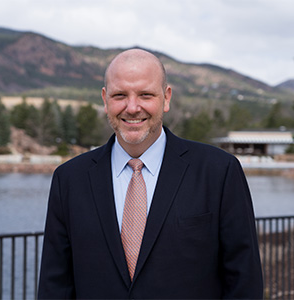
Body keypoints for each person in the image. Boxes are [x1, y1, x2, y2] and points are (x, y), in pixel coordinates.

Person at [38, 49, 263, 299]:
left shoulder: (219, 172)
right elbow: (54, 285)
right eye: (120, 95)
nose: (132, 108)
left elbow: (244, 282)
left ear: (166, 98)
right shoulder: (69, 180)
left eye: (145, 94)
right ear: (105, 99)